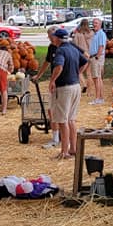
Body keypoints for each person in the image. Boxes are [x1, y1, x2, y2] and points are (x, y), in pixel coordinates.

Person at [48, 28, 87, 159]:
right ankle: (73, 148)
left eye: (54, 37)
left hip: (64, 88)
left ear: (58, 39)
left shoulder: (60, 50)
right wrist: (78, 73)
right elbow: (85, 61)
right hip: (76, 86)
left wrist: (52, 80)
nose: (52, 39)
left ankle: (64, 152)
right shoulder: (73, 48)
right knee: (71, 119)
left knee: (62, 120)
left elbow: (59, 66)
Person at [35, 27, 61, 149]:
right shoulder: (51, 47)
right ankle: (57, 136)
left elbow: (59, 67)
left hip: (60, 83)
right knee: (52, 110)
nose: (49, 38)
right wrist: (39, 75)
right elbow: (47, 62)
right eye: (48, 36)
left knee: (55, 111)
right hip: (55, 82)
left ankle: (57, 138)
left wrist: (53, 80)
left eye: (50, 36)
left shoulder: (63, 48)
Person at [87, 17, 107, 104]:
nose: (94, 24)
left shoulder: (101, 34)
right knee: (97, 78)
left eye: (96, 23)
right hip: (94, 57)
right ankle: (100, 98)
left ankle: (98, 98)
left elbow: (101, 46)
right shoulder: (95, 33)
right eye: (93, 23)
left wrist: (97, 57)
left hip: (96, 58)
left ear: (100, 24)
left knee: (96, 78)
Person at [71, 19, 92, 93]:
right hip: (89, 54)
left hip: (81, 55)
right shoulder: (91, 33)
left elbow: (75, 45)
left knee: (78, 72)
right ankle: (89, 91)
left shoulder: (77, 33)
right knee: (89, 73)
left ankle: (84, 84)